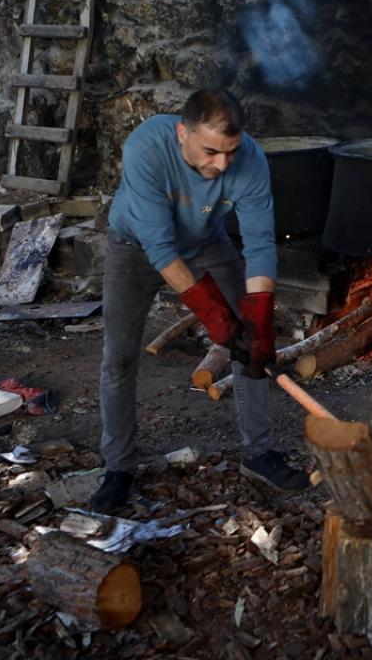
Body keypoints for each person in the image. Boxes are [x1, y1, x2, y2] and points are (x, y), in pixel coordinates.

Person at [91, 88, 309, 513]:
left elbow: (261, 244)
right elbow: (160, 249)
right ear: (181, 133)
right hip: (136, 246)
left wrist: (258, 320)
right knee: (118, 358)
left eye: (230, 152)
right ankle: (117, 468)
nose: (222, 164)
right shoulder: (145, 148)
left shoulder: (249, 159)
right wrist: (212, 315)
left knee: (252, 345)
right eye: (211, 151)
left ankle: (258, 454)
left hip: (208, 243)